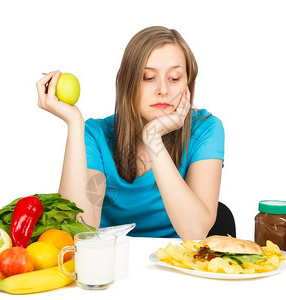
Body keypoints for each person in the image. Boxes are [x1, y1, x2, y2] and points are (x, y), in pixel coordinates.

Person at [36, 26, 224, 240]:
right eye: (148, 77)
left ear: (188, 85)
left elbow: (195, 232)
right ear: (127, 83)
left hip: (176, 265)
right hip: (111, 263)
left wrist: (154, 139)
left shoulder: (206, 129)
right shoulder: (96, 135)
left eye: (174, 78)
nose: (163, 89)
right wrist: (74, 123)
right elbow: (81, 231)